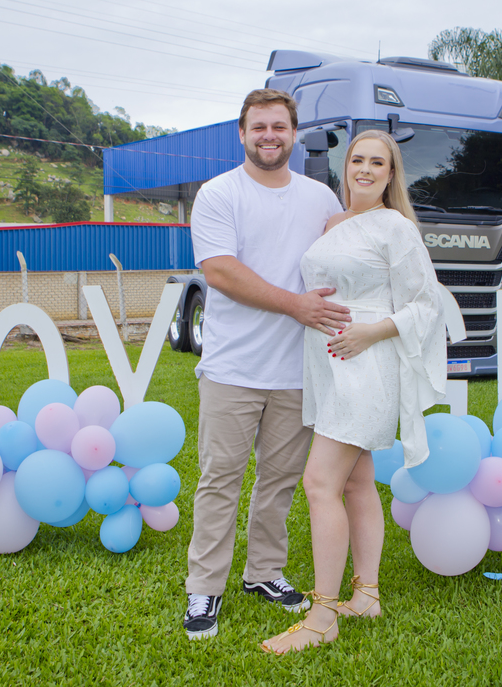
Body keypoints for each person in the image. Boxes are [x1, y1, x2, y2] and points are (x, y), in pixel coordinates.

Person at [261, 129, 447, 653]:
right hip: (329, 365)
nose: (364, 169)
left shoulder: (396, 227)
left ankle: (322, 617)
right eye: (357, 160)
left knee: (320, 482)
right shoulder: (333, 223)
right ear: (345, 168)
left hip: (366, 364)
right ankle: (366, 596)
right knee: (358, 482)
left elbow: (425, 304)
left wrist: (371, 332)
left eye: (376, 163)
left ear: (391, 175)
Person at [183, 89, 349, 640]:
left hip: (297, 370)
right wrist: (296, 305)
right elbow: (220, 271)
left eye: (279, 126)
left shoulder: (319, 198)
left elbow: (348, 256)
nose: (269, 136)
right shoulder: (219, 193)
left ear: (294, 133)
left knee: (279, 482)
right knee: (220, 480)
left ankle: (264, 573)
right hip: (232, 367)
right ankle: (204, 588)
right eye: (259, 127)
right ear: (242, 133)